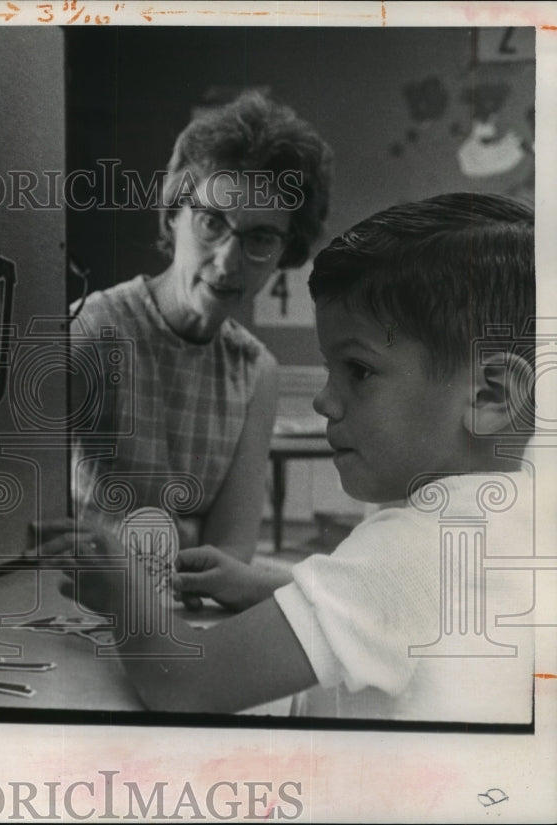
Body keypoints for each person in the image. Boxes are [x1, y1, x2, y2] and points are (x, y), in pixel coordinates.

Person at [40, 192, 537, 722]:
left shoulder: (414, 546)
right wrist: (271, 585)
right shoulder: (516, 517)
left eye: (358, 370)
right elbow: (394, 609)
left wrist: (124, 597)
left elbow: (187, 683)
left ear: (490, 396)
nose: (324, 399)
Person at [70, 90, 333, 564]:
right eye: (212, 222)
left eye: (260, 238)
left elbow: (229, 553)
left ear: (285, 253)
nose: (228, 260)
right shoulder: (89, 329)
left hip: (179, 610)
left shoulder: (256, 371)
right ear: (174, 215)